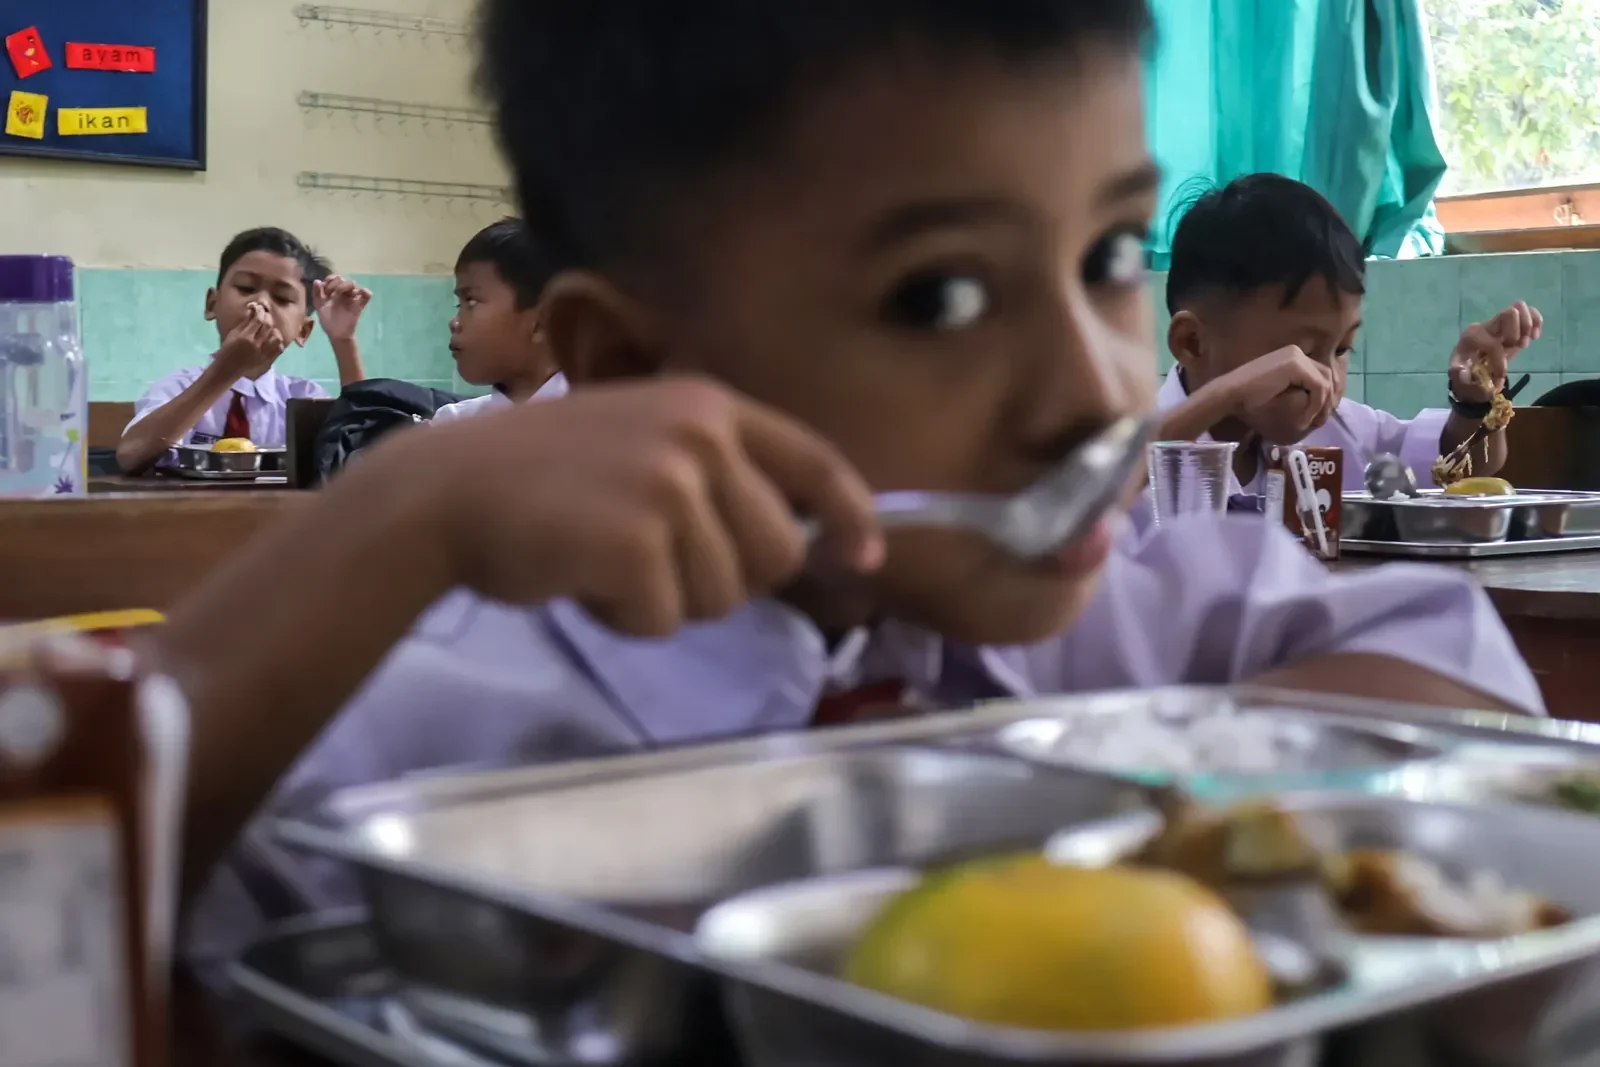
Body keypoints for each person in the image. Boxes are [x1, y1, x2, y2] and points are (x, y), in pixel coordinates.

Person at [159, 0, 1541, 979]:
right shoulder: (435, 753)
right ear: (636, 364)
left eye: (1111, 250)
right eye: (939, 292)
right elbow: (74, 885)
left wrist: (1077, 820)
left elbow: (1464, 672)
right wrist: (392, 521)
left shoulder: (1122, 626)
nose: (1095, 387)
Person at [1154, 174, 1541, 492]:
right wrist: (1225, 396)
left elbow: (1456, 469)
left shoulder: (1338, 431)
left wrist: (1474, 401)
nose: (1326, 380)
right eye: (1299, 354)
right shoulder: (1129, 463)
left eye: (1342, 349)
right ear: (1192, 342)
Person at [116, 227, 373, 474]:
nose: (260, 302)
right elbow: (130, 456)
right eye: (246, 289)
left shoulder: (305, 400)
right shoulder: (178, 390)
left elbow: (365, 459)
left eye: (282, 298)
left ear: (303, 331)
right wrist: (227, 370)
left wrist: (344, 341)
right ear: (212, 304)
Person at [433, 218, 568, 423]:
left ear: (542, 320)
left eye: (471, 301)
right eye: (458, 304)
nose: (455, 323)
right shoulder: (452, 426)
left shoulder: (606, 427)